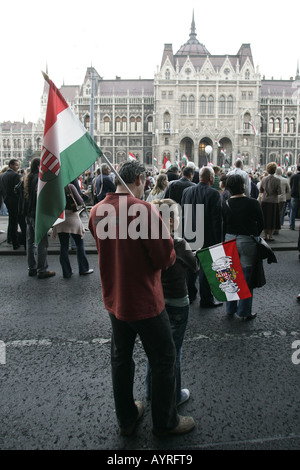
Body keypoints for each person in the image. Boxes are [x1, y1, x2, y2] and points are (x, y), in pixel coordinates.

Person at [88, 160, 195, 437]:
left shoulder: (97, 211)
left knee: (121, 359)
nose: (146, 185)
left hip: (115, 300)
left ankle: (126, 418)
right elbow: (165, 258)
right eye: (145, 181)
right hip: (146, 301)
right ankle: (165, 422)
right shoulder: (144, 210)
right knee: (164, 358)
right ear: (137, 178)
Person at [145, 198, 199, 406]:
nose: (179, 219)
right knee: (174, 353)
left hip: (155, 301)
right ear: (168, 220)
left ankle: (150, 390)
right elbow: (194, 267)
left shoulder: (146, 241)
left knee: (154, 351)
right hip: (176, 302)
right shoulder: (179, 243)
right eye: (177, 215)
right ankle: (174, 396)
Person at [222, 174, 264, 320]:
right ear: (243, 185)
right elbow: (261, 224)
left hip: (229, 240)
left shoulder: (225, 204)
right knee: (247, 278)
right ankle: (244, 312)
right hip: (247, 242)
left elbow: (223, 225)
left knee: (230, 277)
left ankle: (230, 309)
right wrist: (253, 236)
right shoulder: (252, 203)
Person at [181, 166, 223, 308]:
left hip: (190, 236)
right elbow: (216, 220)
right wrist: (218, 242)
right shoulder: (214, 194)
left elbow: (183, 214)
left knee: (191, 267)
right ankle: (206, 299)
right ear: (211, 178)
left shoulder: (187, 191)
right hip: (207, 237)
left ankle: (190, 295)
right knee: (206, 269)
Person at [52, 183, 93, 278]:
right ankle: (83, 269)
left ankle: (66, 272)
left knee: (64, 246)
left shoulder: (54, 187)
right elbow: (80, 201)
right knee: (79, 244)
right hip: (72, 218)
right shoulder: (70, 186)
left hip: (60, 219)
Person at [23, 157, 55, 279]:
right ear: (38, 166)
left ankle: (32, 268)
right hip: (37, 214)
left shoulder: (27, 178)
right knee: (42, 243)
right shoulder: (39, 179)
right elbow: (40, 197)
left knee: (30, 242)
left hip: (28, 214)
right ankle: (42, 270)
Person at [1, 158, 25, 250]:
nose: (17, 166)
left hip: (7, 200)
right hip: (16, 202)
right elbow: (19, 190)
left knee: (12, 221)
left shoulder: (2, 175)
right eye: (16, 165)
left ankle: (11, 239)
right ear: (10, 165)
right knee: (20, 222)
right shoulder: (16, 176)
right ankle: (18, 242)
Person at [259, 162, 281, 241]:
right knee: (272, 218)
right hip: (274, 201)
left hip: (265, 200)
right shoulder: (277, 180)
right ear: (275, 170)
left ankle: (264, 235)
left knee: (265, 218)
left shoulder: (264, 179)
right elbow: (279, 192)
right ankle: (270, 236)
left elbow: (261, 190)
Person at [274, 166, 290, 234]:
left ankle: (272, 228)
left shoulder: (273, 179)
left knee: (273, 213)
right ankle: (277, 228)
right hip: (282, 199)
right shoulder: (285, 180)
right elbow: (288, 190)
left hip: (274, 198)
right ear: (281, 172)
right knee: (280, 214)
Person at [289, 164, 300, 230]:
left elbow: (291, 185)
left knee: (293, 211)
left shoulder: (293, 176)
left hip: (295, 195)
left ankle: (292, 225)